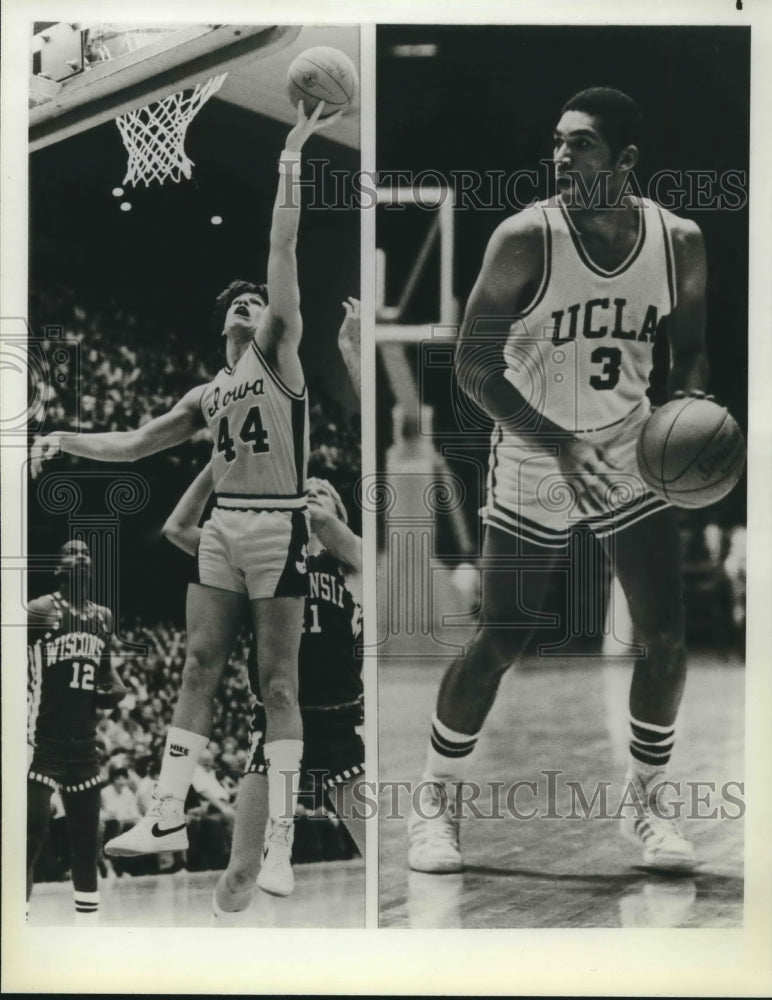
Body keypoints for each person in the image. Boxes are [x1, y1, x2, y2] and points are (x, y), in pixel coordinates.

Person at [30, 100, 342, 896]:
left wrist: (292, 154)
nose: (251, 302)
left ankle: (278, 847)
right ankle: (166, 810)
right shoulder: (208, 392)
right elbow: (134, 443)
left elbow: (282, 242)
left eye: (256, 299)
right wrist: (63, 438)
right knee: (198, 666)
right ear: (222, 324)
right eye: (237, 302)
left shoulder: (280, 358)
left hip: (277, 529)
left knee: (277, 685)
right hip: (222, 530)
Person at [407, 87, 709, 874]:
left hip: (625, 444)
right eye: (558, 141)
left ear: (626, 161)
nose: (562, 156)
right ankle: (436, 804)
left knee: (667, 638)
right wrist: (557, 442)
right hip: (536, 448)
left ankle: (645, 808)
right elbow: (472, 367)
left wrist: (695, 426)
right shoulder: (524, 237)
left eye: (582, 144)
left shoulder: (679, 242)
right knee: (503, 636)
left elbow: (693, 356)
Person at [161, 458, 364, 908]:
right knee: (241, 873)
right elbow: (177, 529)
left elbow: (340, 533)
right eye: (302, 489)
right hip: (273, 727)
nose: (308, 494)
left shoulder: (352, 564)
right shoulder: (256, 563)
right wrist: (217, 467)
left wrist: (295, 500)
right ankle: (218, 950)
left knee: (381, 856)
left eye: (319, 491)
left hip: (340, 727)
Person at [27, 540, 126, 920]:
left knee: (87, 848)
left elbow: (108, 674)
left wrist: (116, 690)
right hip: (40, 741)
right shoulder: (40, 611)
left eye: (86, 553)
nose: (81, 557)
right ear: (58, 568)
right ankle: (17, 929)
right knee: (29, 841)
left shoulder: (103, 618)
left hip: (83, 746)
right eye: (71, 552)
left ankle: (89, 931)